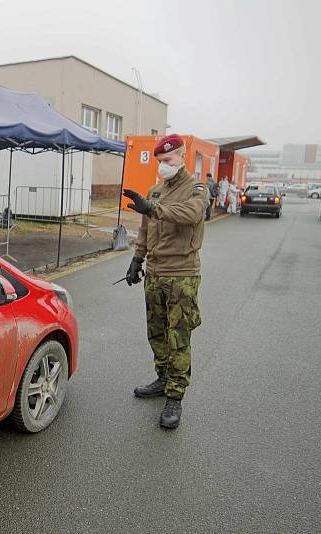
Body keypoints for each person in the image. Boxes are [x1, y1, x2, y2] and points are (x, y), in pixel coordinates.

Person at [121, 134, 208, 430]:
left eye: (168, 161)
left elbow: (191, 214)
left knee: (178, 336)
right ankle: (162, 378)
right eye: (160, 162)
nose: (163, 167)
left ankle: (175, 396)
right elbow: (146, 229)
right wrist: (136, 259)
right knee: (156, 331)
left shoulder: (196, 188)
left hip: (182, 275)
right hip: (155, 273)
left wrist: (153, 209)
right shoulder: (155, 190)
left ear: (182, 158)